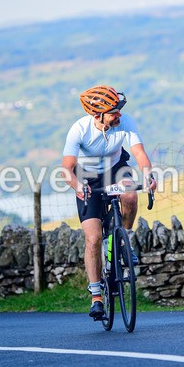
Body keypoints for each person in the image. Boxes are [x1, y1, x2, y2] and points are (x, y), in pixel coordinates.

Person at [61, 85, 157, 320]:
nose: (119, 115)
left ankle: (125, 239)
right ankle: (96, 295)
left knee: (130, 195)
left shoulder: (125, 122)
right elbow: (67, 168)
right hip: (87, 178)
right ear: (97, 115)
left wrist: (148, 174)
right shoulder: (79, 129)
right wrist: (76, 185)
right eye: (114, 112)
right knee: (93, 238)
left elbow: (140, 153)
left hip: (116, 169)